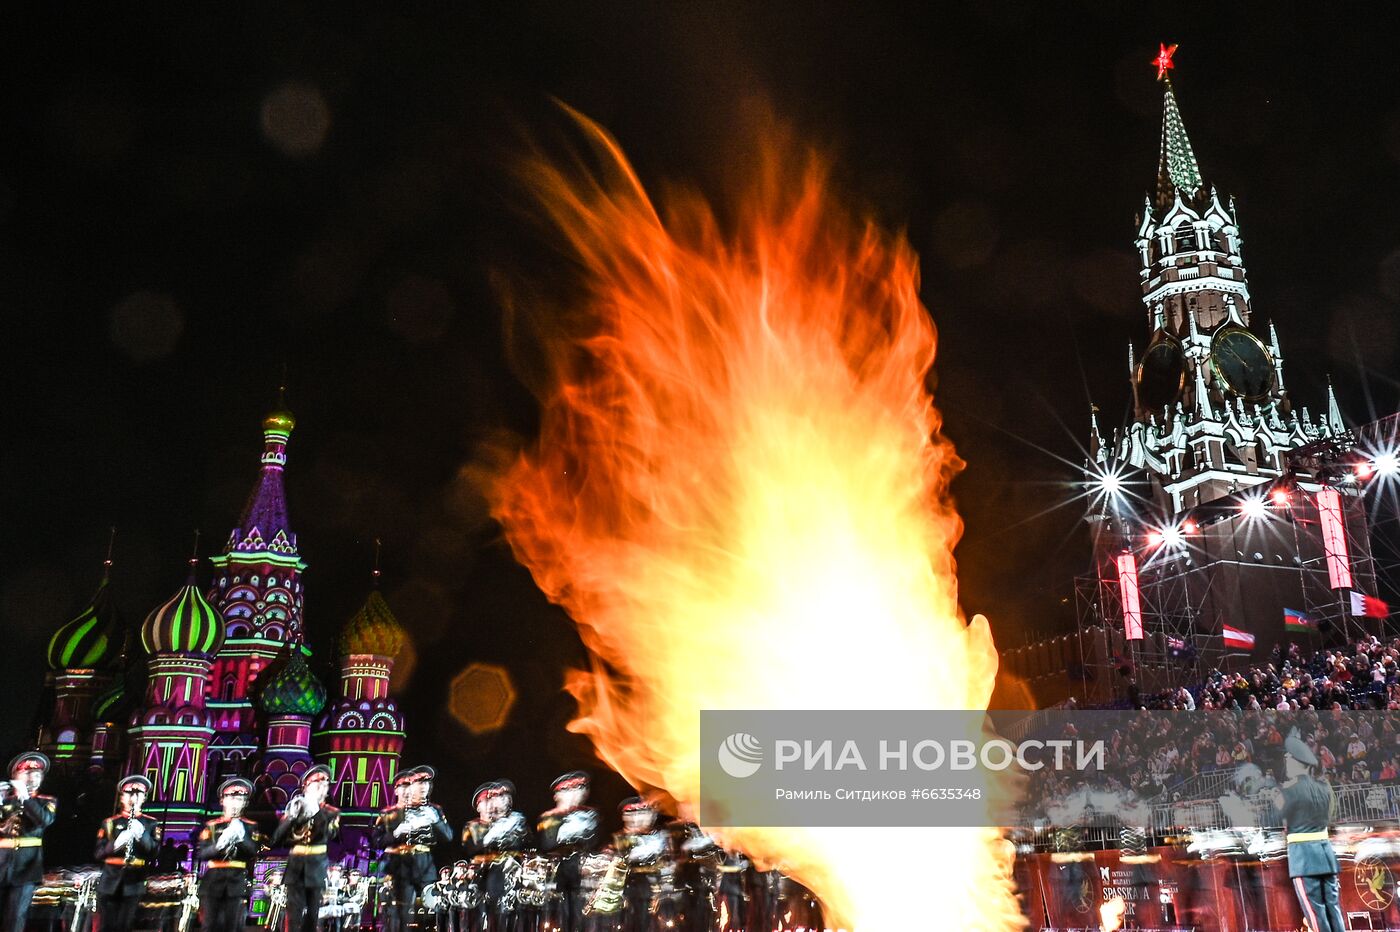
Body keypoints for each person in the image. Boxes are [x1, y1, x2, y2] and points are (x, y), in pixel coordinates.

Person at [1269, 729, 1345, 932]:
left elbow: (1275, 819)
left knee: (1315, 912)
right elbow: (1330, 817)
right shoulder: (1324, 787)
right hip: (1326, 855)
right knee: (1334, 909)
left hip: (1303, 858)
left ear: (1294, 763)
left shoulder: (1288, 791)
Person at [374, 766, 452, 932]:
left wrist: (436, 820)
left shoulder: (434, 809)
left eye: (427, 783)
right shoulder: (390, 813)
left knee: (433, 909)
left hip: (425, 863)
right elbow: (377, 841)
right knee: (403, 913)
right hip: (402, 864)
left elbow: (448, 836)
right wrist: (396, 833)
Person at [271, 765, 341, 932]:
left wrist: (315, 811)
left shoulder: (331, 812)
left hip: (317, 866)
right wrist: (292, 818)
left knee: (313, 915)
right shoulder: (296, 806)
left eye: (325, 784)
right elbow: (277, 838)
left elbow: (329, 835)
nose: (321, 787)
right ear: (305, 787)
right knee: (293, 915)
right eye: (316, 784)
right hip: (296, 866)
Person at [462, 780, 531, 932]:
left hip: (511, 874)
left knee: (513, 914)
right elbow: (470, 850)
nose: (490, 805)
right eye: (485, 801)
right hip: (484, 877)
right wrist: (488, 839)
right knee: (485, 915)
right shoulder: (472, 826)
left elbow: (527, 843)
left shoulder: (511, 821)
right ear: (478, 805)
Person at [94, 775, 161, 932]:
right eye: (129, 793)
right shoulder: (110, 822)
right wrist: (117, 843)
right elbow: (98, 853)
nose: (134, 797)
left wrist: (141, 835)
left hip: (134, 880)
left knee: (125, 924)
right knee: (106, 925)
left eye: (139, 794)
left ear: (144, 798)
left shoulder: (150, 823)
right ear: (122, 798)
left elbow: (154, 852)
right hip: (110, 880)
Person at [0, 751, 57, 932]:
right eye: (26, 773)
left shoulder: (46, 801)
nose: (32, 777)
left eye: (36, 774)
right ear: (15, 775)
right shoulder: (6, 800)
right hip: (1, 863)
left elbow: (43, 821)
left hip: (26, 866)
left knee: (15, 916)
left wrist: (25, 796)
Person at [197, 777, 263, 932]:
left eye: (240, 798)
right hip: (213, 880)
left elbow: (254, 851)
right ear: (222, 801)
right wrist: (219, 845)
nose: (235, 802)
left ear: (245, 803)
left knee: (233, 926)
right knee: (209, 925)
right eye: (231, 797)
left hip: (237, 881)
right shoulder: (212, 826)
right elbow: (203, 853)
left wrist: (241, 837)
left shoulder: (250, 827)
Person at [536, 771, 598, 932]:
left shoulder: (590, 814)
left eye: (581, 789)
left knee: (583, 911)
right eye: (571, 790)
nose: (578, 793)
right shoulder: (549, 817)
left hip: (583, 869)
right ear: (558, 794)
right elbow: (547, 843)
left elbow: (595, 841)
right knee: (558, 912)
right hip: (559, 870)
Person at [612, 797, 673, 932]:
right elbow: (620, 860)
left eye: (643, 813)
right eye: (633, 814)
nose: (638, 818)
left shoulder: (662, 836)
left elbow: (668, 861)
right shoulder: (621, 838)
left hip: (657, 890)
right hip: (629, 889)